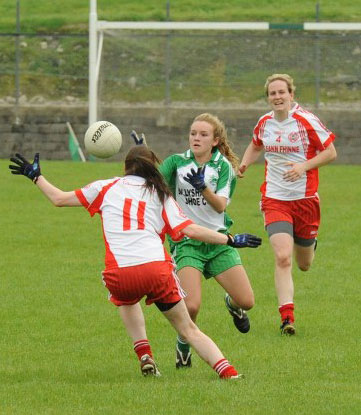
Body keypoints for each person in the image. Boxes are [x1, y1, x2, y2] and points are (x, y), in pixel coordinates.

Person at [8, 147, 261, 379]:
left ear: (125, 167)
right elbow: (192, 230)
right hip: (156, 270)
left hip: (119, 273)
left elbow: (59, 199)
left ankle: (145, 355)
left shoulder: (105, 186)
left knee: (125, 298)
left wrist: (36, 176)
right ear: (153, 168)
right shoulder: (161, 195)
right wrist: (229, 239)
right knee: (188, 329)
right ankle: (228, 372)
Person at [238, 73, 337, 335]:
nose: (277, 97)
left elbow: (330, 152)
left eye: (282, 92)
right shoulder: (265, 123)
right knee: (283, 257)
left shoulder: (305, 120)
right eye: (273, 93)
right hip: (275, 198)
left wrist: (303, 166)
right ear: (268, 97)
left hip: (305, 200)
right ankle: (287, 318)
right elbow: (256, 145)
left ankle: (309, 243)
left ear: (291, 95)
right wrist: (244, 164)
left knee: (304, 264)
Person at [157, 113, 256, 369]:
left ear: (215, 140)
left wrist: (203, 188)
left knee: (247, 301)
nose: (196, 138)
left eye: (203, 134)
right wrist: (143, 158)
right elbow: (152, 182)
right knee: (191, 306)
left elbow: (219, 205)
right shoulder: (177, 163)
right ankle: (183, 342)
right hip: (187, 242)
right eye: (193, 133)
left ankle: (232, 305)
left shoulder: (223, 168)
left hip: (219, 241)